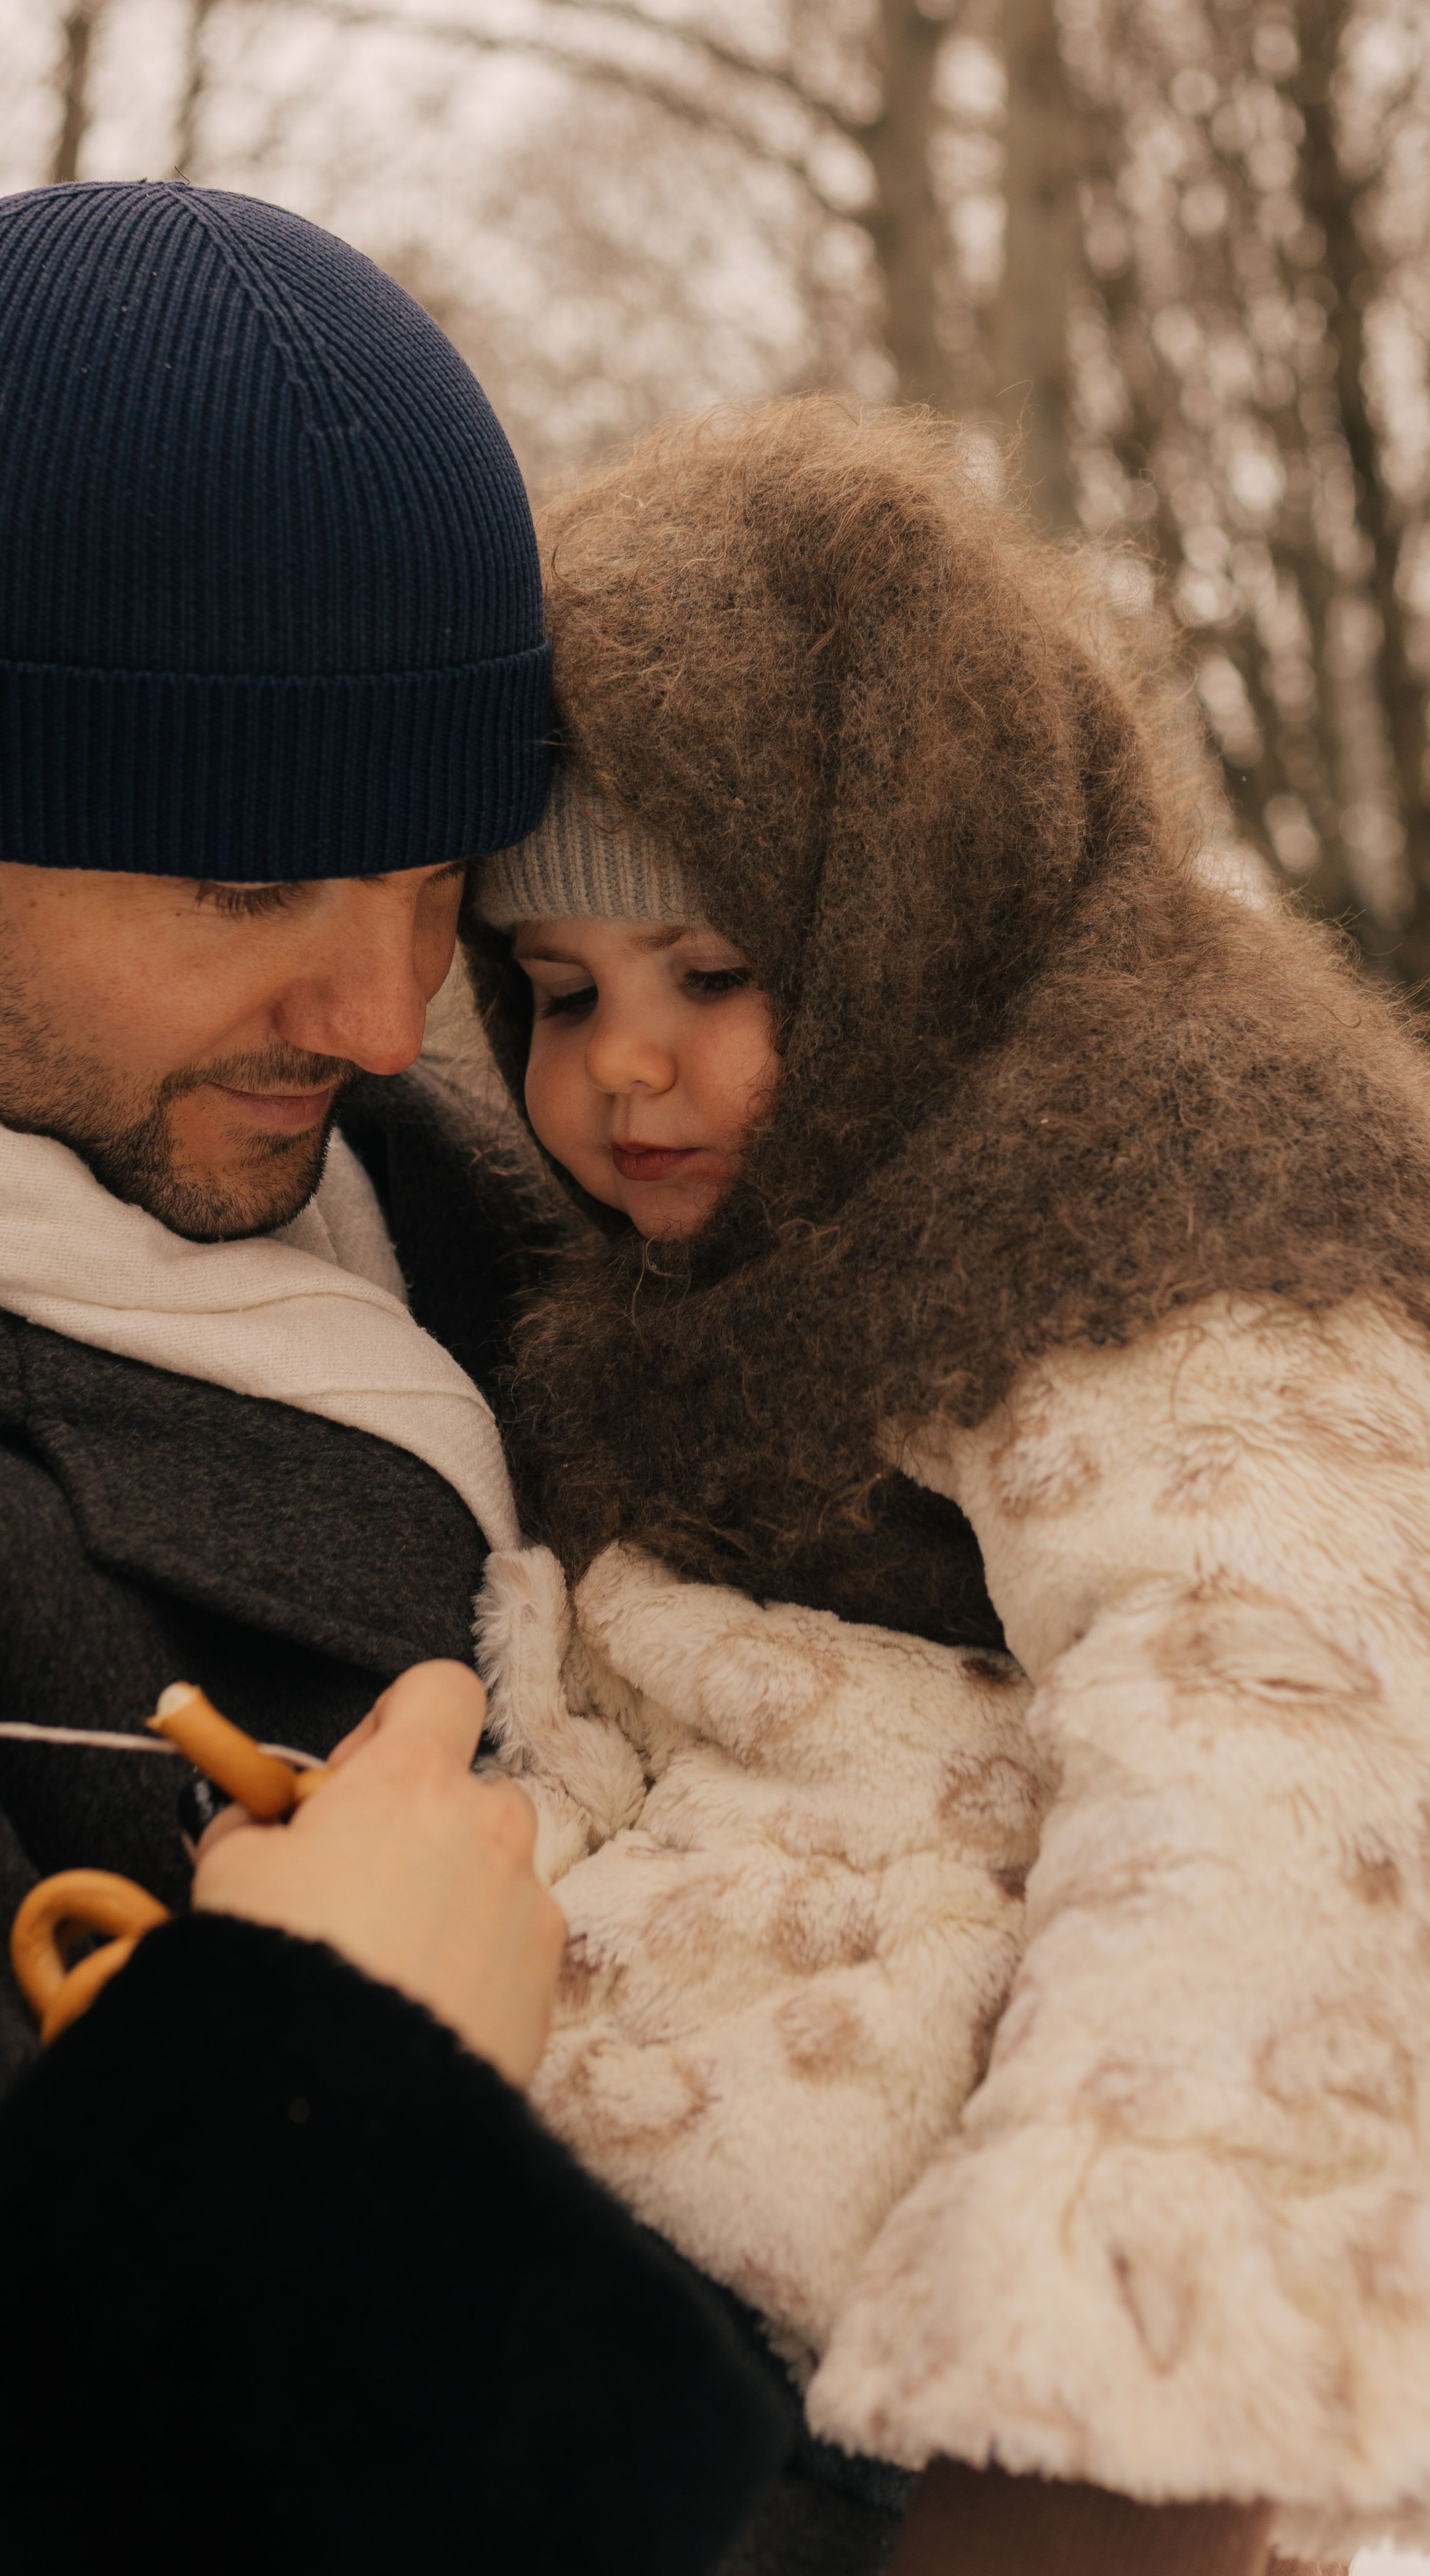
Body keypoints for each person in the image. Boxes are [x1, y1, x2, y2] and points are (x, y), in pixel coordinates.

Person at [0, 182, 793, 2568]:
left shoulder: (481, 1166)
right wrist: (336, 2084)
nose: (385, 1022)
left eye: (429, 890)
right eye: (243, 891)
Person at [458, 398, 1430, 2576]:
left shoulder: (1183, 1205)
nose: (625, 1066)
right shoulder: (707, 1277)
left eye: (715, 976)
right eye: (555, 990)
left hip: (981, 2418)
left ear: (912, 913)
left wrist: (1095, 2443)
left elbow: (1275, 1773)